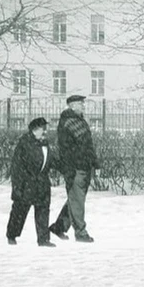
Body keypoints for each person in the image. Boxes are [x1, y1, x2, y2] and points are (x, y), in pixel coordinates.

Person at [49, 94, 99, 243]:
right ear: (71, 106)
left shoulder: (77, 120)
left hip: (81, 165)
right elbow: (71, 148)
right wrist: (72, 165)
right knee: (77, 200)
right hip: (75, 167)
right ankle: (81, 232)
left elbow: (87, 146)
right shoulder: (69, 122)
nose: (83, 106)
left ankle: (59, 227)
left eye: (82, 103)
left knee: (75, 199)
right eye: (80, 104)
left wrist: (94, 163)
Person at [6, 117, 58, 247]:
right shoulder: (24, 144)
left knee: (43, 210)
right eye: (43, 129)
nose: (45, 131)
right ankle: (12, 235)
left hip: (42, 183)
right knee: (20, 211)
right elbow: (16, 167)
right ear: (34, 130)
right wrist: (18, 186)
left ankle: (43, 239)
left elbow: (50, 161)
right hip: (27, 183)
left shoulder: (44, 143)